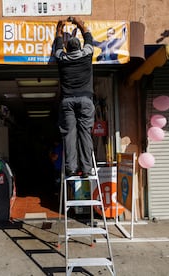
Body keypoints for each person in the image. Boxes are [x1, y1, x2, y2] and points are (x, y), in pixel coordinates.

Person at [54, 17, 95, 178]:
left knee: (69, 134)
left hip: (67, 101)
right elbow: (89, 37)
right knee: (85, 133)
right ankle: (86, 169)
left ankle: (70, 168)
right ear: (79, 47)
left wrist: (59, 29)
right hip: (85, 100)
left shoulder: (62, 58)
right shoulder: (86, 55)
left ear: (67, 48)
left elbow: (57, 45)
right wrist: (79, 22)